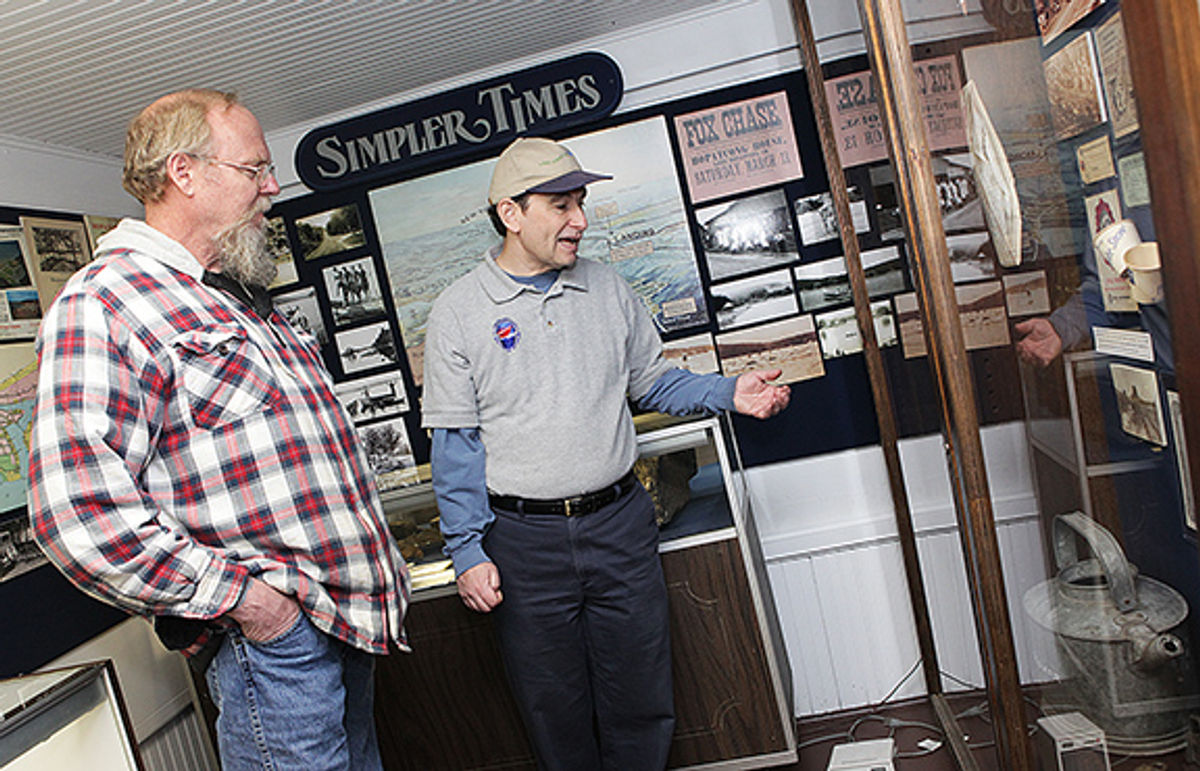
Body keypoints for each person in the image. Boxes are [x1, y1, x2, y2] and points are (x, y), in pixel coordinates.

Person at [28, 89, 410, 771]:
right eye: (254, 168)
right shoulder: (107, 300)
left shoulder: (230, 295)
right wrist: (252, 604)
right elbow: (77, 514)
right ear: (184, 173)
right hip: (275, 645)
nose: (273, 186)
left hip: (337, 629)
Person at [421, 136, 791, 770]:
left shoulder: (609, 288)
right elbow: (456, 444)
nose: (580, 221)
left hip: (619, 524)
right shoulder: (457, 313)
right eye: (561, 204)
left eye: (582, 202)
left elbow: (655, 383)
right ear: (511, 213)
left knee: (642, 693)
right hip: (523, 541)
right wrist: (467, 549)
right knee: (552, 704)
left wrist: (731, 392)